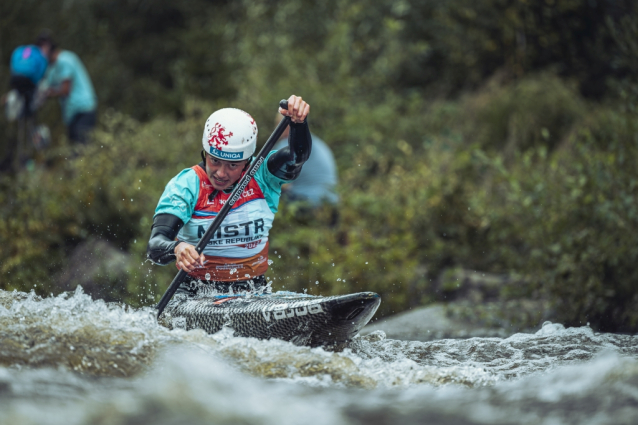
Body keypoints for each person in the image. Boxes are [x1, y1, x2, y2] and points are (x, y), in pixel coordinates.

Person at [147, 95, 311, 295]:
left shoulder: (264, 176)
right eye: (215, 161)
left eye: (233, 165)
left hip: (253, 291)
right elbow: (155, 246)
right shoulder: (186, 185)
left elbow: (297, 157)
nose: (221, 173)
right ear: (205, 153)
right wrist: (177, 248)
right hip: (196, 293)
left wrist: (298, 123)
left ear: (247, 161)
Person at [272, 116, 338, 207]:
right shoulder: (317, 142)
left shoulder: (287, 144)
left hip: (307, 202)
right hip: (331, 202)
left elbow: (271, 179)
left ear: (286, 126)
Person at [44, 42, 97, 144]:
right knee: (74, 147)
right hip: (71, 113)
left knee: (81, 148)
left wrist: (49, 93)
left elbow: (65, 90)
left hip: (83, 108)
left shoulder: (65, 60)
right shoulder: (52, 68)